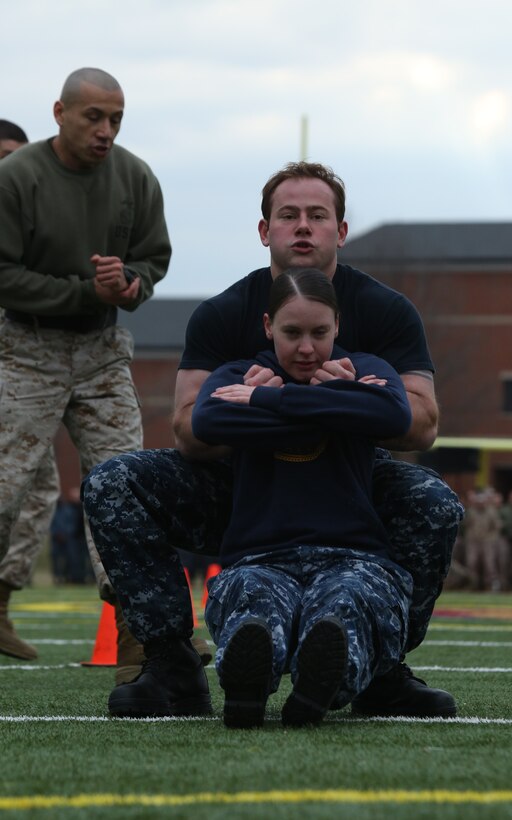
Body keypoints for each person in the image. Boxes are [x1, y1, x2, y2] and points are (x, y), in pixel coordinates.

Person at [82, 161, 463, 720]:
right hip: (239, 483)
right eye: (289, 216)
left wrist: (270, 400)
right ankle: (170, 664)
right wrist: (340, 405)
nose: (303, 227)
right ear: (265, 231)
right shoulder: (221, 314)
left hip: (348, 483)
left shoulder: (385, 311)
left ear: (340, 231)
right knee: (113, 482)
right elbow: (192, 429)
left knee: (434, 502)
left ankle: (380, 666)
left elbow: (421, 424)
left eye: (317, 215)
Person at [0, 68, 171, 680]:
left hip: (101, 349)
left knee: (124, 486)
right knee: (8, 487)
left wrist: (132, 284)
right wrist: (82, 292)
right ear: (59, 112)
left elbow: (155, 256)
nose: (106, 130)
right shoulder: (17, 178)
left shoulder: (134, 176)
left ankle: (137, 631)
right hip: (27, 347)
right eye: (93, 117)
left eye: (116, 119)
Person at [191, 268, 413, 728]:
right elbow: (208, 422)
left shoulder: (366, 369)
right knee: (254, 602)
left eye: (320, 333)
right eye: (292, 333)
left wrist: (268, 402)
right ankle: (247, 684)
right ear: (269, 326)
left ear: (339, 326)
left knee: (347, 604)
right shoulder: (238, 374)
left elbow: (394, 413)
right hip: (259, 556)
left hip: (351, 556)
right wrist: (341, 405)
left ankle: (320, 685)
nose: (307, 349)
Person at [0, 119, 62, 661]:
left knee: (37, 487)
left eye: (17, 156)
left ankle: (0, 604)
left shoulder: (30, 221)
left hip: (22, 372)